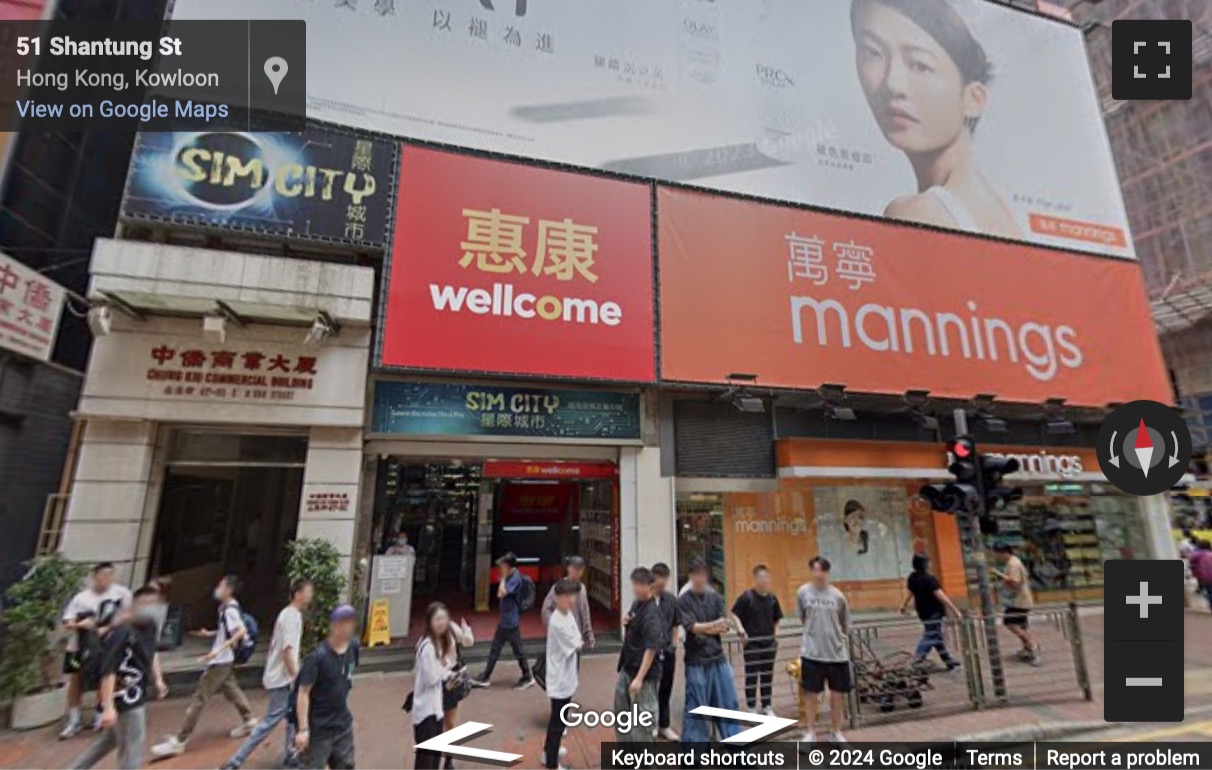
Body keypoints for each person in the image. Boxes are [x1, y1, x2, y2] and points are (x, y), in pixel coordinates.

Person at [850, 0, 1022, 239]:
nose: (892, 84)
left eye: (920, 65)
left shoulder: (916, 214)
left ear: (974, 98)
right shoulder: (1007, 211)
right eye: (873, 52)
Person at [151, 574, 256, 761]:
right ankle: (249, 720)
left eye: (221, 585)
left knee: (200, 698)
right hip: (225, 658)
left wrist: (217, 651)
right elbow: (229, 630)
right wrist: (211, 634)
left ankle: (180, 739)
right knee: (231, 689)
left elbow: (240, 631)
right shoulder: (226, 607)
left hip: (221, 660)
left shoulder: (230, 608)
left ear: (229, 589)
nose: (218, 588)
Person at [68, 585, 168, 770]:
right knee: (132, 748)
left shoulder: (150, 627)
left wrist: (158, 679)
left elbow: (151, 652)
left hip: (139, 690)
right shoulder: (123, 632)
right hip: (125, 696)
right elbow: (109, 670)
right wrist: (108, 707)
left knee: (111, 739)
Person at [221, 579, 314, 770]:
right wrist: (297, 677)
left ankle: (291, 755)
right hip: (282, 678)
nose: (311, 595)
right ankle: (235, 761)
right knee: (269, 722)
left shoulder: (290, 614)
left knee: (292, 717)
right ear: (297, 594)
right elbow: (287, 651)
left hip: (281, 677)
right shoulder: (291, 617)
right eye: (308, 591)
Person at [60, 562, 132, 739]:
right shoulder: (81, 598)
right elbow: (67, 622)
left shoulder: (121, 594)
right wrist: (80, 625)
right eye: (103, 576)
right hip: (77, 646)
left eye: (110, 575)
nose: (106, 579)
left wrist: (108, 627)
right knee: (75, 677)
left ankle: (100, 714)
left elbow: (129, 615)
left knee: (104, 674)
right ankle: (74, 719)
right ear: (94, 577)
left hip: (106, 645)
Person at [678, 556, 741, 743]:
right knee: (696, 708)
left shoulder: (715, 598)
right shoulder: (684, 600)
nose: (700, 579)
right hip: (696, 661)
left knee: (728, 704)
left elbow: (723, 625)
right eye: (696, 575)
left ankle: (737, 752)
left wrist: (705, 627)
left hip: (718, 658)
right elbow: (691, 627)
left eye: (703, 575)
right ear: (690, 576)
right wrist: (710, 626)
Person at [295, 605, 360, 770]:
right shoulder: (317, 657)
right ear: (332, 626)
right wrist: (303, 729)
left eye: (350, 623)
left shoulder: (353, 647)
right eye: (342, 623)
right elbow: (303, 692)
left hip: (343, 725)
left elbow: (349, 674)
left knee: (346, 765)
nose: (347, 627)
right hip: (319, 729)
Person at [797, 556, 852, 745]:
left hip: (836, 654)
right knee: (811, 695)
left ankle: (835, 732)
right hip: (812, 654)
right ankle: (810, 733)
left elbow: (845, 624)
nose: (818, 574)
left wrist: (835, 638)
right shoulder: (803, 593)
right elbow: (803, 618)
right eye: (815, 570)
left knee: (837, 696)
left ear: (827, 573)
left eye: (821, 570)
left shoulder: (838, 596)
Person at [412, 602, 472, 770]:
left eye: (444, 618)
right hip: (426, 710)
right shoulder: (428, 647)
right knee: (426, 758)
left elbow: (468, 641)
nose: (442, 623)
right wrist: (446, 665)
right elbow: (431, 678)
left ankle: (448, 759)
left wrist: (451, 674)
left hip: (437, 704)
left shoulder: (445, 635)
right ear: (429, 621)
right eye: (438, 619)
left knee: (434, 753)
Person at [470, 553, 533, 690]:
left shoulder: (514, 577)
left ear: (509, 567)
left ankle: (527, 676)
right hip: (506, 621)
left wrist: (503, 577)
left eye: (503, 566)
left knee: (517, 650)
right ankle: (486, 676)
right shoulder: (511, 576)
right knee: (496, 649)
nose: (500, 568)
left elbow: (501, 593)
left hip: (511, 622)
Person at [615, 567, 663, 744]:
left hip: (643, 675)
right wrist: (626, 620)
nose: (636, 588)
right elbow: (631, 619)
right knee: (622, 713)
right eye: (634, 583)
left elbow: (651, 649)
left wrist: (639, 678)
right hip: (627, 667)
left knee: (643, 720)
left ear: (651, 587)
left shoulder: (652, 614)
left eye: (641, 584)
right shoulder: (637, 604)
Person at [731, 564, 784, 716]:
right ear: (755, 579)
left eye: (766, 577)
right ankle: (751, 706)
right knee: (752, 675)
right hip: (752, 644)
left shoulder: (772, 599)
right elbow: (734, 614)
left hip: (768, 643)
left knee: (768, 675)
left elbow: (777, 618)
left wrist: (776, 635)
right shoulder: (747, 597)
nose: (764, 580)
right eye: (760, 577)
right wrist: (741, 631)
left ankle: (767, 705)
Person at [542, 580, 583, 770]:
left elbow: (578, 638)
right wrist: (577, 641)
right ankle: (551, 762)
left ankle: (549, 750)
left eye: (573, 595)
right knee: (558, 722)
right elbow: (575, 644)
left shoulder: (567, 615)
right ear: (558, 598)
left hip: (566, 676)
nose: (572, 599)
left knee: (559, 718)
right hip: (559, 679)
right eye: (567, 596)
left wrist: (578, 641)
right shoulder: (557, 621)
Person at [900, 554, 961, 670]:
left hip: (922, 612)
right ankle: (918, 658)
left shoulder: (912, 578)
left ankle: (948, 660)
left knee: (936, 636)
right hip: (934, 611)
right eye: (928, 562)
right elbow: (940, 595)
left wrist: (904, 605)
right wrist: (954, 609)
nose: (930, 564)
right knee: (931, 635)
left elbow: (910, 593)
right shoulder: (929, 579)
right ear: (924, 564)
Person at [992, 542, 1039, 665]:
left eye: (997, 554)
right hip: (1021, 599)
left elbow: (1015, 582)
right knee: (1022, 625)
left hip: (1018, 601)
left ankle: (1031, 646)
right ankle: (1027, 650)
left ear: (1004, 553)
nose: (996, 557)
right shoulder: (1014, 561)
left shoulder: (1013, 564)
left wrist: (999, 575)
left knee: (1011, 623)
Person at [650, 562, 681, 741]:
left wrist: (674, 643)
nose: (662, 586)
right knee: (650, 690)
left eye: (665, 582)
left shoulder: (670, 599)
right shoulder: (643, 600)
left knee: (666, 688)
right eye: (659, 582)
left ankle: (664, 725)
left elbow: (676, 622)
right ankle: (651, 723)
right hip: (650, 653)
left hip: (668, 652)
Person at [540, 555, 596, 651]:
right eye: (575, 568)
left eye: (580, 569)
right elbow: (546, 609)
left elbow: (585, 611)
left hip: (577, 634)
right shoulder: (559, 587)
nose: (577, 572)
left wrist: (588, 633)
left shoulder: (582, 588)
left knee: (574, 662)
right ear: (568, 568)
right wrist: (555, 628)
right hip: (562, 635)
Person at [1190, 540, 1212, 611]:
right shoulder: (1210, 553)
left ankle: (1210, 603)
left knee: (1209, 591)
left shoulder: (1196, 554)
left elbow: (1192, 564)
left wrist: (1194, 573)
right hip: (1207, 575)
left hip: (1205, 576)